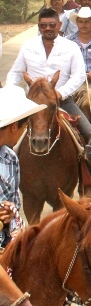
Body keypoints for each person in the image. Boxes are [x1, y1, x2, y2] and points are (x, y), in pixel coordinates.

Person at [5, 8, 91, 142]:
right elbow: (16, 72)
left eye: (52, 25)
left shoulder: (71, 47)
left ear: (59, 25)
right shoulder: (28, 46)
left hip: (62, 101)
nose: (48, 28)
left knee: (89, 134)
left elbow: (79, 75)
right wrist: (9, 92)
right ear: (39, 26)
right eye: (43, 25)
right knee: (7, 134)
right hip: (31, 103)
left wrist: (59, 93)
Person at [0, 86, 46, 247]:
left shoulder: (11, 159)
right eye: (25, 127)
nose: (24, 132)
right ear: (13, 127)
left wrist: (9, 213)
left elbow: (15, 203)